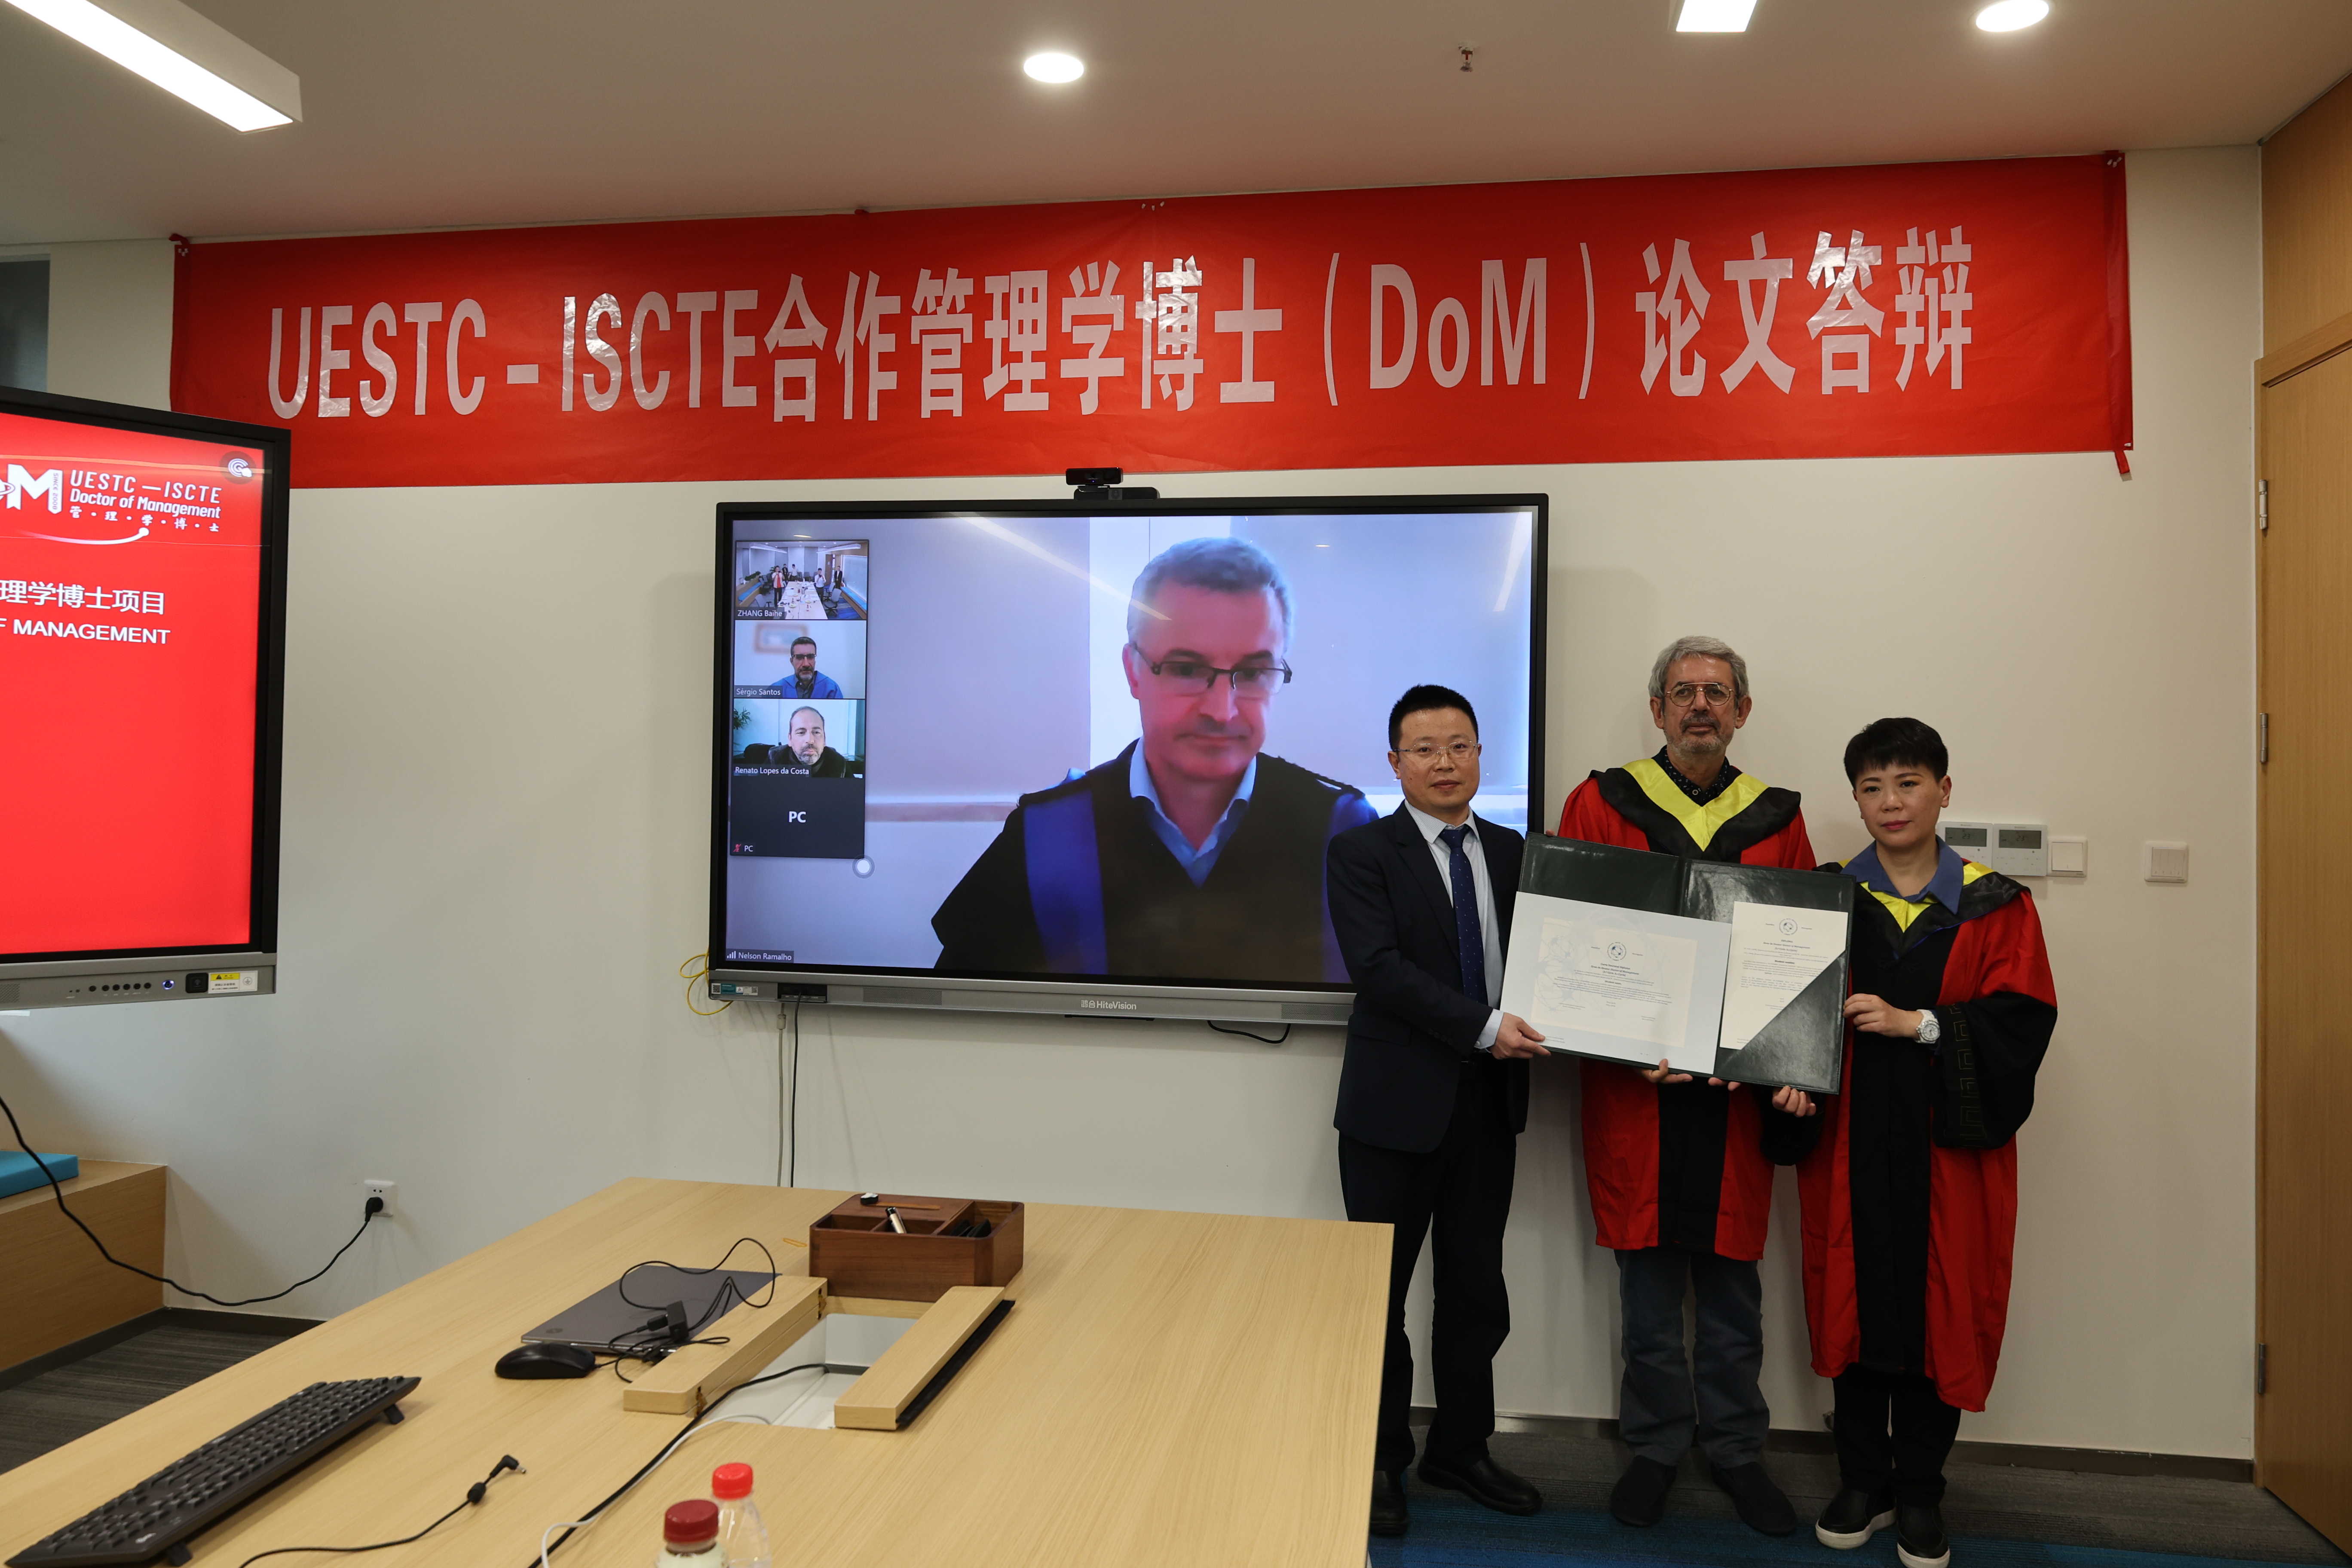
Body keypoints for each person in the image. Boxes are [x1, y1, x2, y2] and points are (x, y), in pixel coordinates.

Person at [1553, 634, 1816, 1535]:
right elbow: (1572, 937)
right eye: (1682, 690)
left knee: (1735, 1288)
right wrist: (1626, 1043)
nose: (1699, 704)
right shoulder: (1600, 802)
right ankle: (1657, 1446)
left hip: (1735, 1098)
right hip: (1640, 1091)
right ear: (1657, 709)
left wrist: (1781, 1060)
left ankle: (1737, 1449)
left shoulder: (1777, 819)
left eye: (1716, 691)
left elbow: (1797, 958)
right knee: (1649, 1290)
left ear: (1741, 710)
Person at [1779, 718, 2056, 1568]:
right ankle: (1863, 1480)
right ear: (1856, 799)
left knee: (1943, 1307)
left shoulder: (1996, 904)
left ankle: (1924, 1491)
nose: (1890, 801)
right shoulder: (1824, 897)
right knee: (1852, 1302)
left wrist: (1920, 1023)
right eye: (1872, 787)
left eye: (1907, 783)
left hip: (1948, 1154)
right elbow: (1784, 1007)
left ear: (1943, 790)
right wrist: (1784, 1073)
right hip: (1849, 1144)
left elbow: (2020, 1021)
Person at [931, 536, 1374, 981]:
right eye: (1187, 669)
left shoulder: (1341, 830)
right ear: (1133, 672)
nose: (1222, 711)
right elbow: (962, 1008)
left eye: (1254, 673)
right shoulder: (1047, 836)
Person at [1327, 685, 1549, 1540]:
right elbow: (1379, 969)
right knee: (1374, 1299)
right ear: (1395, 763)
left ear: (1481, 755)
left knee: (1473, 1289)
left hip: (1489, 1106)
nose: (1445, 762)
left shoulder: (1513, 851)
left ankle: (1461, 1447)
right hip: (1393, 1112)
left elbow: (1549, 963)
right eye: (1424, 749)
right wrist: (1488, 1027)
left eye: (1460, 745)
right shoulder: (1361, 852)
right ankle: (1381, 1459)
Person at [775, 706, 858, 778]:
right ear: (790, 739)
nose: (810, 741)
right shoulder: (774, 760)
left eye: (816, 732)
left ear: (825, 739)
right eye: (801, 733)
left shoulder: (838, 763)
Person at [767, 635, 845, 699]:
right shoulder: (776, 689)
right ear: (792, 661)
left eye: (811, 657)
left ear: (815, 660)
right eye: (800, 657)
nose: (806, 664)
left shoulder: (831, 688)